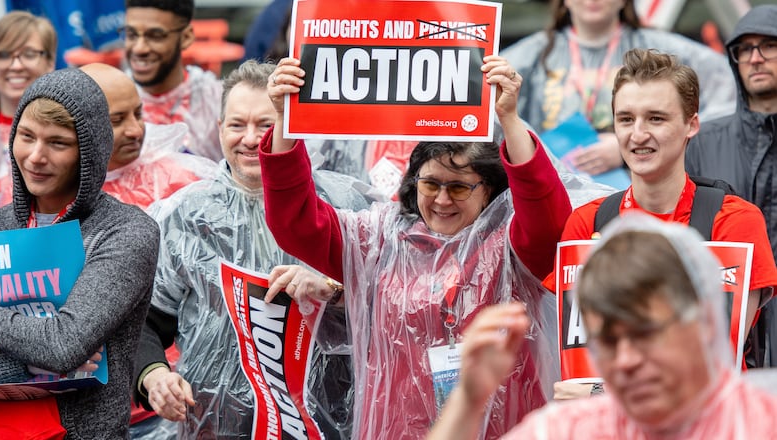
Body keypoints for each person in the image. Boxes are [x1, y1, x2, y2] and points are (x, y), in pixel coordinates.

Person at [261, 54, 572, 439]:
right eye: (430, 185)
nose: (441, 200)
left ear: (490, 189)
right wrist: (284, 123)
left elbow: (549, 223)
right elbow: (296, 223)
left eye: (458, 187)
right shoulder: (379, 238)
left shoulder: (510, 243)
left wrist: (508, 118)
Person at [132, 59, 372, 439]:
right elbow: (144, 320)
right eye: (237, 124)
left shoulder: (345, 204)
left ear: (295, 126)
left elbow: (394, 310)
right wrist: (154, 375)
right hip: (215, 424)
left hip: (327, 423)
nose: (250, 138)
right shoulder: (183, 215)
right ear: (219, 129)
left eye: (266, 124)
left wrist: (335, 291)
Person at [544, 48, 777, 398]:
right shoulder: (588, 222)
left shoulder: (733, 220)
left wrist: (598, 392)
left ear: (691, 125)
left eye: (656, 118)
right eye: (625, 119)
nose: (637, 135)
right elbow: (578, 361)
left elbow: (712, 364)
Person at [429, 213, 777, 439]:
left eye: (645, 333)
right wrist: (468, 401)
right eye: (607, 341)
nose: (625, 360)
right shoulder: (570, 430)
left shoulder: (763, 422)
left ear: (702, 323)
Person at [0, 68, 159, 438]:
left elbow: (62, 345)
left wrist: (45, 346)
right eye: (26, 136)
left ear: (91, 152)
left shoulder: (126, 231)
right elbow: (56, 347)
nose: (35, 156)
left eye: (58, 143)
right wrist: (17, 358)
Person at [500, 0, 736, 177]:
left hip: (643, 189)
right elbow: (495, 120)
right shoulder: (528, 56)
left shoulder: (663, 49)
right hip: (553, 188)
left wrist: (628, 146)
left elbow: (727, 104)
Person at [685, 4, 777, 368]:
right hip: (721, 324)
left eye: (769, 45)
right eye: (744, 49)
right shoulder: (702, 142)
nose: (755, 58)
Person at [79, 62, 217, 211]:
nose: (136, 131)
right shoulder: (57, 187)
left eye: (138, 115)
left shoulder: (179, 182)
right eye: (117, 120)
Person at [122, 0, 223, 161]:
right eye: (131, 35)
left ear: (186, 37)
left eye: (155, 36)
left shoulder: (217, 101)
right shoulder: (110, 100)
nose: (139, 48)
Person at [0, 11, 56, 204]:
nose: (16, 66)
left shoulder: (72, 131)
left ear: (50, 62)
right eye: (3, 54)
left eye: (29, 54)